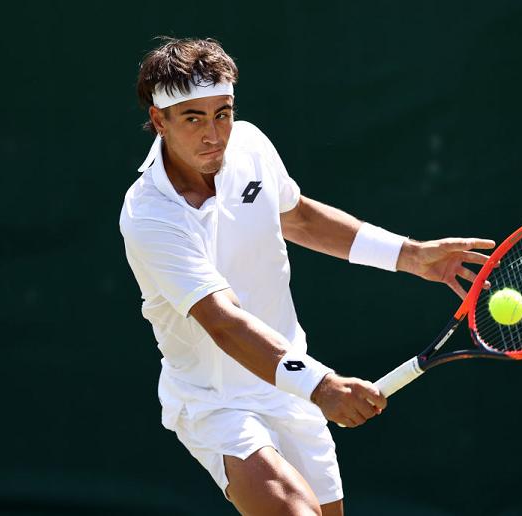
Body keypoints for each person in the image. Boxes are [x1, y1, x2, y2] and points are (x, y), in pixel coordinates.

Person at [120, 37, 494, 516]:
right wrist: (322, 385)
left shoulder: (250, 145)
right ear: (159, 121)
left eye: (223, 113)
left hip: (287, 382)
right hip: (216, 400)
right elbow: (223, 321)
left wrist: (411, 255)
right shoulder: (150, 215)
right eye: (194, 118)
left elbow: (298, 218)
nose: (214, 134)